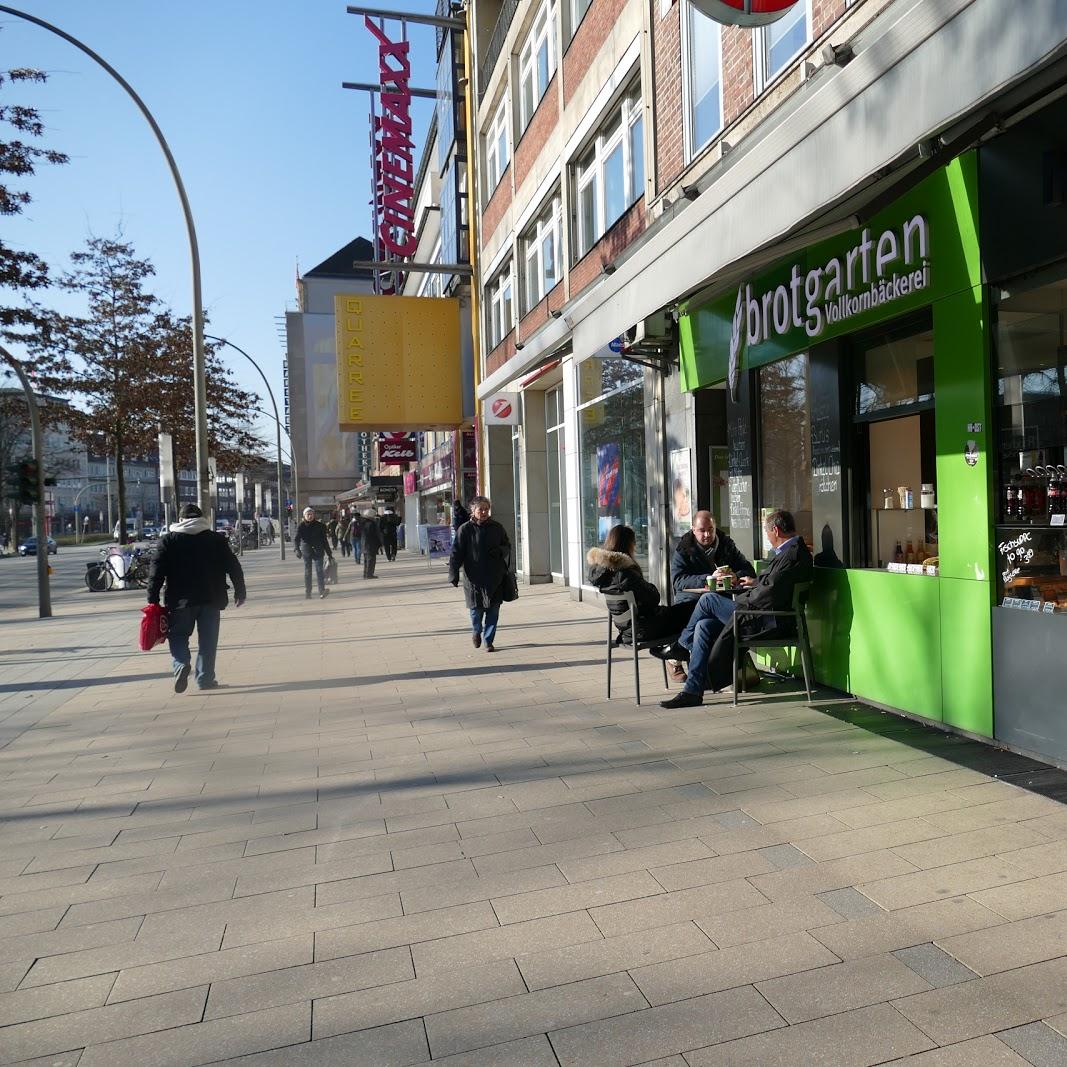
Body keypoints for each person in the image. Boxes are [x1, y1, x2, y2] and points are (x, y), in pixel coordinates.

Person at [658, 509, 814, 708]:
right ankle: (693, 691)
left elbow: (770, 593)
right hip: (761, 614)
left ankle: (680, 646)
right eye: (701, 530)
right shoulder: (792, 552)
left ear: (775, 530)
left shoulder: (791, 555)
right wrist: (755, 583)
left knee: (709, 600)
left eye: (767, 533)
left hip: (765, 620)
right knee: (704, 626)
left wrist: (746, 593)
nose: (767, 537)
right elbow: (773, 587)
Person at [146, 503, 246, 693]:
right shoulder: (216, 539)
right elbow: (233, 566)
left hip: (180, 600)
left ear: (181, 519)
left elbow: (156, 571)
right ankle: (205, 679)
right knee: (208, 640)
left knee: (178, 635)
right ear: (202, 518)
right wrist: (240, 591)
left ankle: (181, 663)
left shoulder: (168, 540)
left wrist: (152, 598)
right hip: (211, 597)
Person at [587, 525, 693, 645]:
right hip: (644, 628)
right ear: (628, 544)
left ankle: (676, 653)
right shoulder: (625, 573)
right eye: (634, 542)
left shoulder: (605, 573)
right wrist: (650, 586)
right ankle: (678, 654)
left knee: (685, 610)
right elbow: (653, 598)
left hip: (628, 629)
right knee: (692, 609)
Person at [449, 495, 510, 652]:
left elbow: (507, 545)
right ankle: (477, 630)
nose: (483, 512)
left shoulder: (497, 527)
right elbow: (456, 553)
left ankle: (488, 641)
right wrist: (453, 573)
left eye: (486, 509)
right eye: (480, 509)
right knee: (476, 611)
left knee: (493, 611)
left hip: (495, 577)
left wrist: (500, 551)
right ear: (472, 510)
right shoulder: (465, 529)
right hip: (474, 578)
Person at [671, 511, 756, 602]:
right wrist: (709, 579)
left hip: (723, 599)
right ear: (694, 530)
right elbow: (678, 581)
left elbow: (749, 571)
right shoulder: (684, 548)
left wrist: (736, 576)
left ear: (715, 528)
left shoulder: (727, 546)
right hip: (692, 600)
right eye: (702, 530)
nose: (707, 534)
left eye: (711, 529)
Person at [294, 506, 333, 599]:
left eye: (311, 514)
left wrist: (329, 553)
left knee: (320, 571)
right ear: (304, 516)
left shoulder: (320, 526)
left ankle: (322, 591)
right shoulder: (301, 526)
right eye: (308, 514)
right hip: (306, 551)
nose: (310, 516)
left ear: (314, 515)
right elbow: (296, 539)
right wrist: (297, 549)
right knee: (308, 572)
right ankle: (308, 592)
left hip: (318, 551)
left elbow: (324, 541)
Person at [361, 509, 383, 579]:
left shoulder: (363, 523)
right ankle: (369, 574)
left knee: (366, 560)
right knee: (371, 560)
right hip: (370, 545)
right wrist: (379, 543)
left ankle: (365, 574)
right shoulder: (371, 524)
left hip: (364, 544)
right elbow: (374, 535)